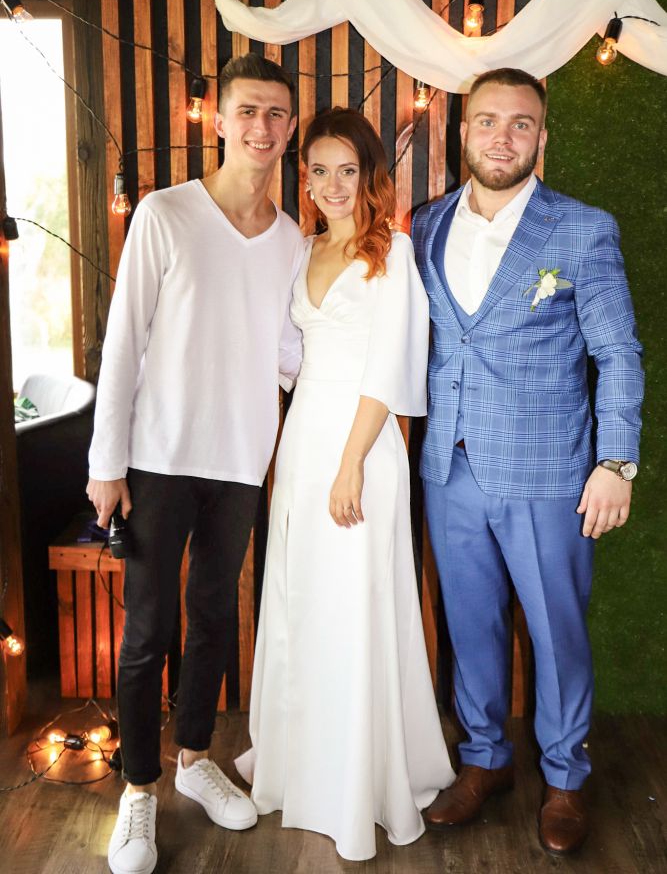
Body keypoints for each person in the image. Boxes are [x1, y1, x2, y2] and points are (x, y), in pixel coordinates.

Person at [413, 67, 644, 855]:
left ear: (540, 137)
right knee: (468, 625)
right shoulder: (425, 225)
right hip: (448, 468)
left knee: (555, 633)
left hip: (549, 475)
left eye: (520, 124)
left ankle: (565, 777)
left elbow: (617, 353)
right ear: (462, 132)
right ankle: (483, 760)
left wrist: (615, 462)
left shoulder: (581, 229)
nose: (501, 137)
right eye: (486, 121)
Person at [87, 52, 305, 874]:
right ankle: (139, 790)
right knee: (148, 630)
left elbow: (288, 355)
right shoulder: (164, 214)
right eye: (247, 110)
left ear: (290, 126)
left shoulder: (291, 239)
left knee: (214, 617)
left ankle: (193, 759)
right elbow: (123, 342)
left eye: (275, 113)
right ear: (218, 120)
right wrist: (107, 462)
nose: (261, 127)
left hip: (242, 459)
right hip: (158, 456)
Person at [235, 107, 454, 861]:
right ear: (305, 178)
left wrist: (351, 462)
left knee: (356, 603)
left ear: (369, 177)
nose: (333, 185)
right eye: (320, 171)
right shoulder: (302, 250)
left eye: (347, 171)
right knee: (303, 598)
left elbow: (391, 366)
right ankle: (305, 765)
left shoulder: (390, 252)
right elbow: (287, 358)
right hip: (303, 442)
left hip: (361, 445)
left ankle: (362, 779)